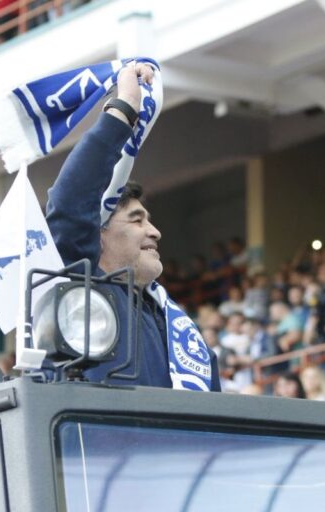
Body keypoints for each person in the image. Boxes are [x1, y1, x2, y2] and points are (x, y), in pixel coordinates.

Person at [45, 62, 220, 391]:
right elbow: (70, 202)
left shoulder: (179, 327)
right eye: (136, 220)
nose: (155, 232)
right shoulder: (85, 293)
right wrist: (123, 109)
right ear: (98, 234)